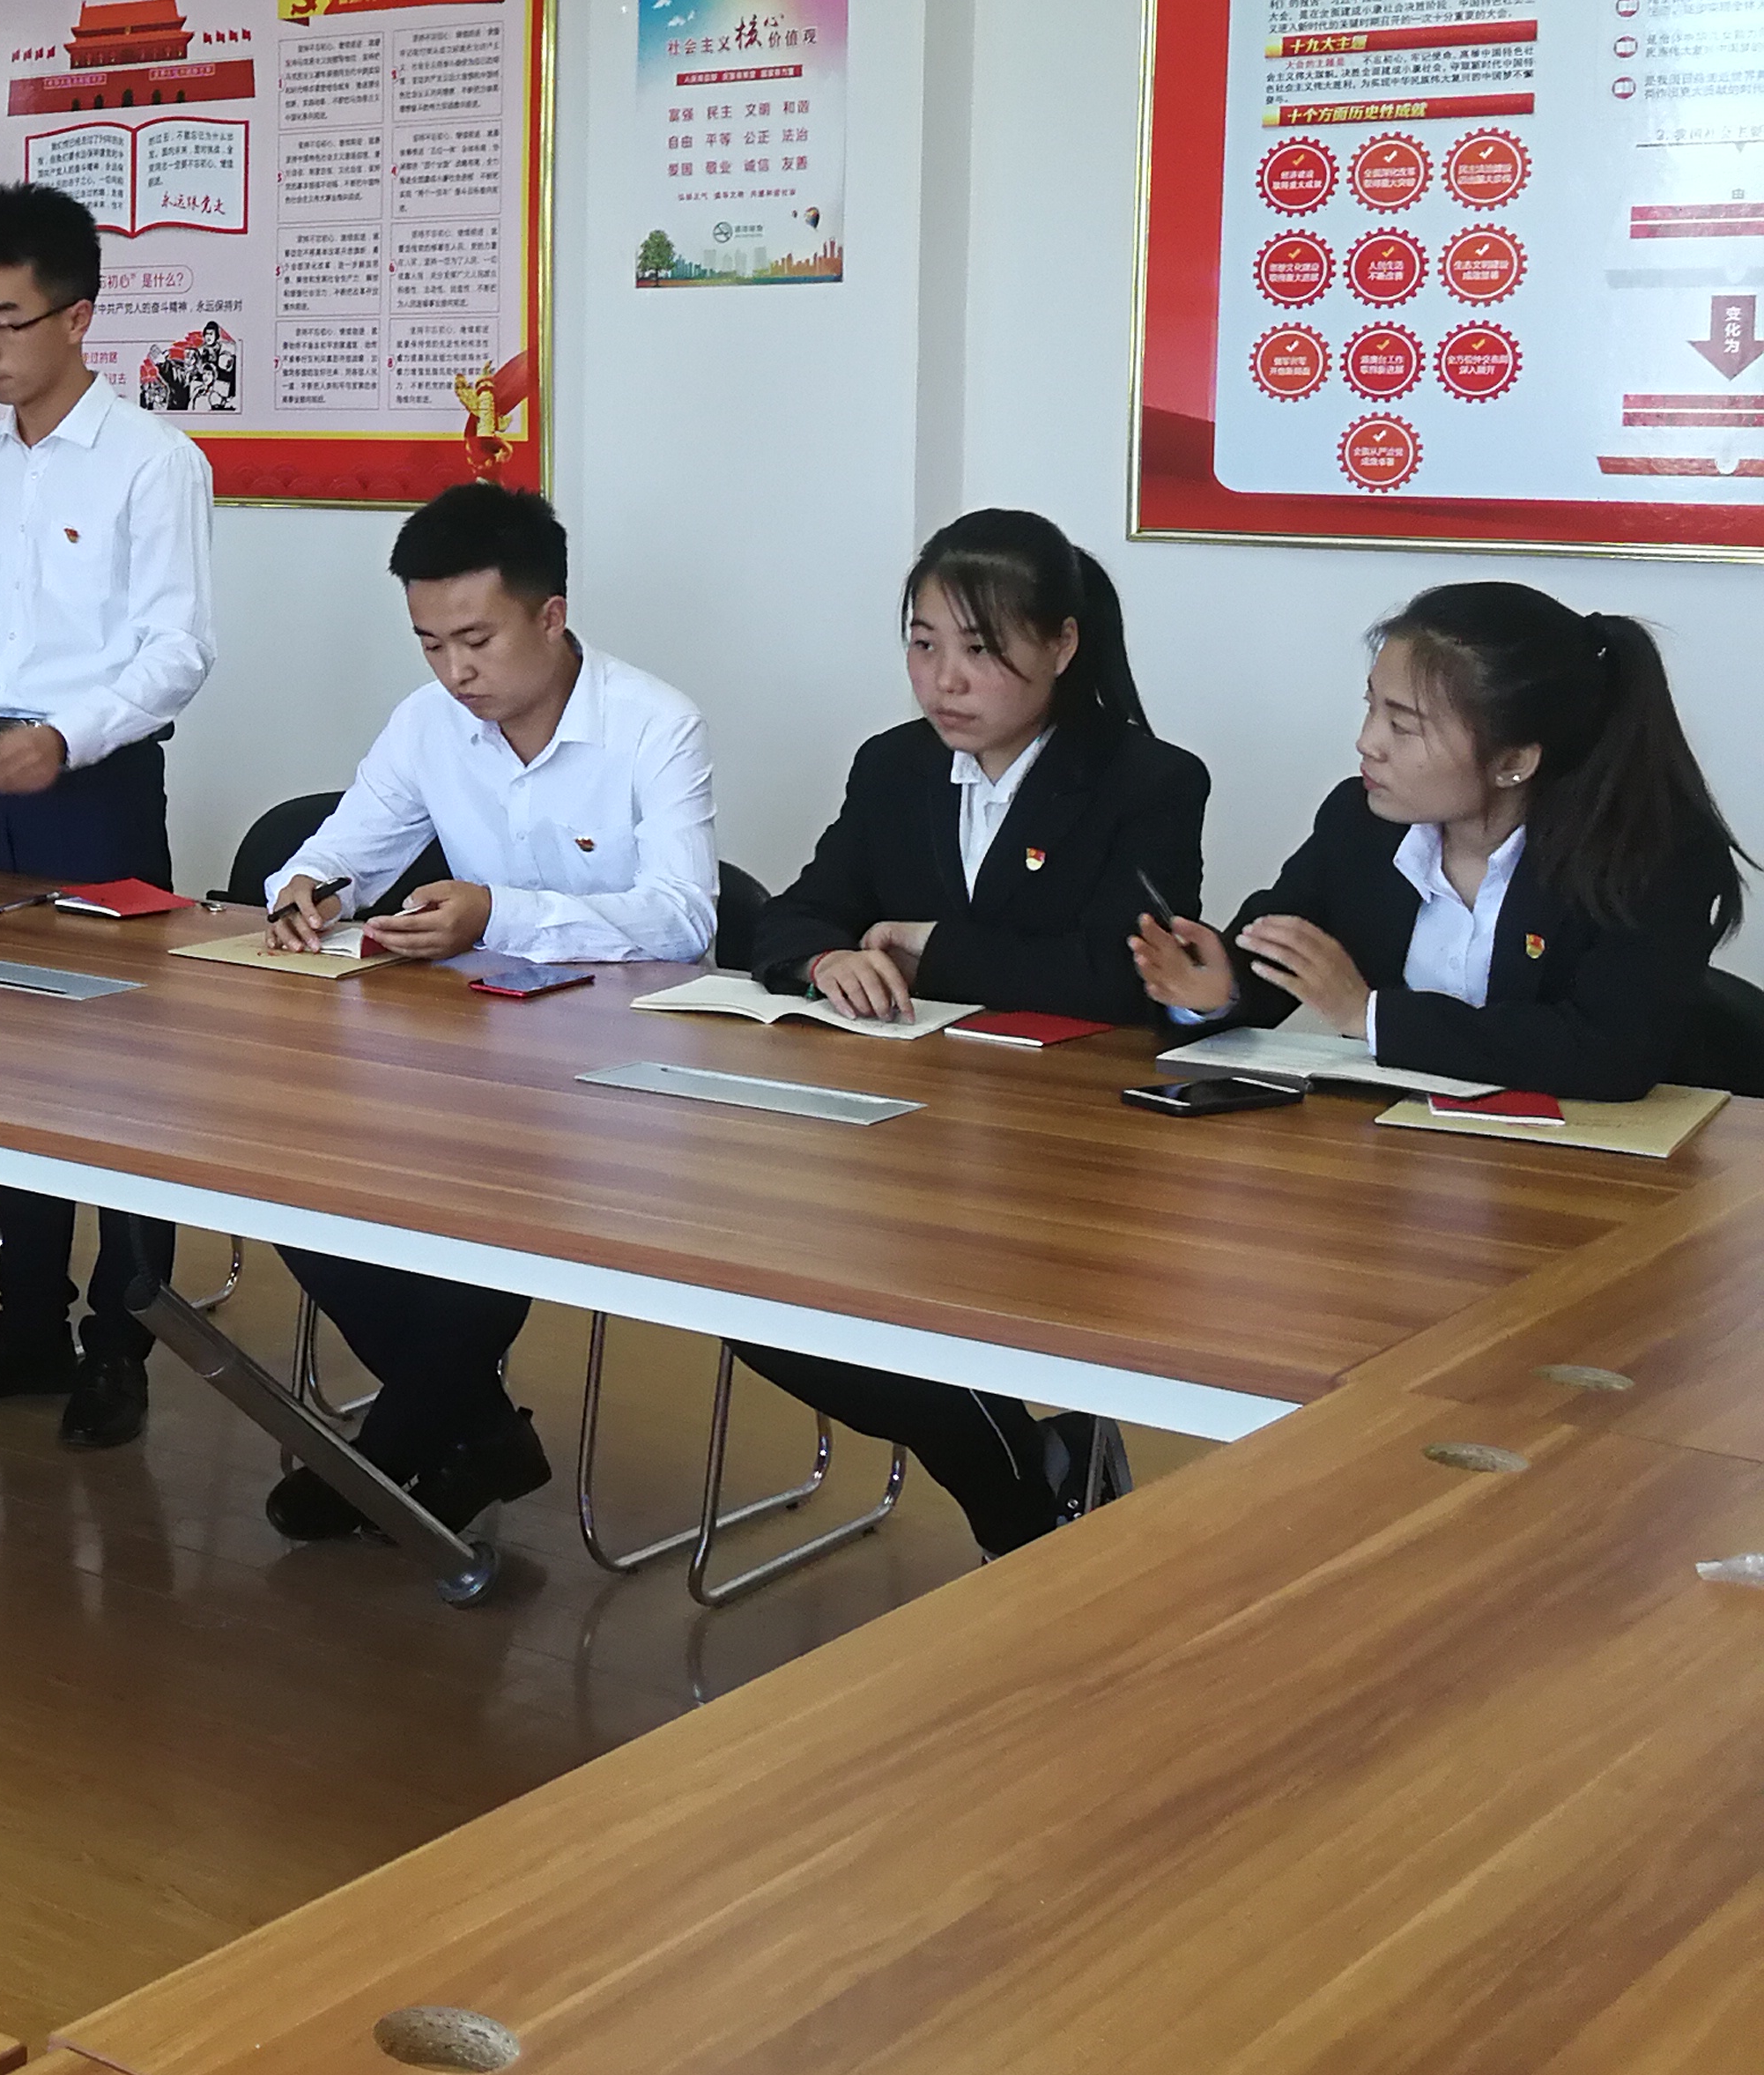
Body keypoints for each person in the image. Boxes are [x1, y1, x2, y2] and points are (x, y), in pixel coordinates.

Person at [729, 508, 1212, 1555]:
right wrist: (824, 960)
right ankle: (1031, 1489)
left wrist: (926, 945)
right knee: (758, 1303)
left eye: (979, 650)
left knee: (918, 1318)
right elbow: (794, 914)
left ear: (1060, 644)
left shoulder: (1146, 782)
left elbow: (1117, 981)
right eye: (921, 644)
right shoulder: (893, 767)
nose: (942, 681)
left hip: (1069, 1151)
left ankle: (1020, 1514)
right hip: (900, 1139)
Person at [248, 479, 715, 1541]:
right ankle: (477, 1431)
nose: (453, 672)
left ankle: (389, 1452)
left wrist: (498, 911)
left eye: (475, 640)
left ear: (549, 615)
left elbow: (683, 917)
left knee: (496, 1218)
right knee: (292, 1190)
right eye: (428, 645)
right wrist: (306, 892)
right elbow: (344, 848)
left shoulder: (653, 725)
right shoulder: (427, 724)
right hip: (465, 1060)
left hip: (616, 1080)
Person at [0, 183, 216, 1453]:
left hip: (93, 789)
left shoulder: (154, 463)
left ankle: (122, 1342)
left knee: (117, 1077)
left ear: (77, 317)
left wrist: (68, 738)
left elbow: (178, 652)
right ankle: (26, 1319)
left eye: (4, 322)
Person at [1138, 580, 1745, 1106]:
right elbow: (1280, 956)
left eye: (1403, 726)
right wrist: (1217, 992)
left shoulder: (1651, 858)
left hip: (1609, 1171)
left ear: (1513, 761)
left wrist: (1367, 1015)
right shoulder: (1360, 824)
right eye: (1372, 708)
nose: (1368, 742)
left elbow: (1609, 1055)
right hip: (1401, 1153)